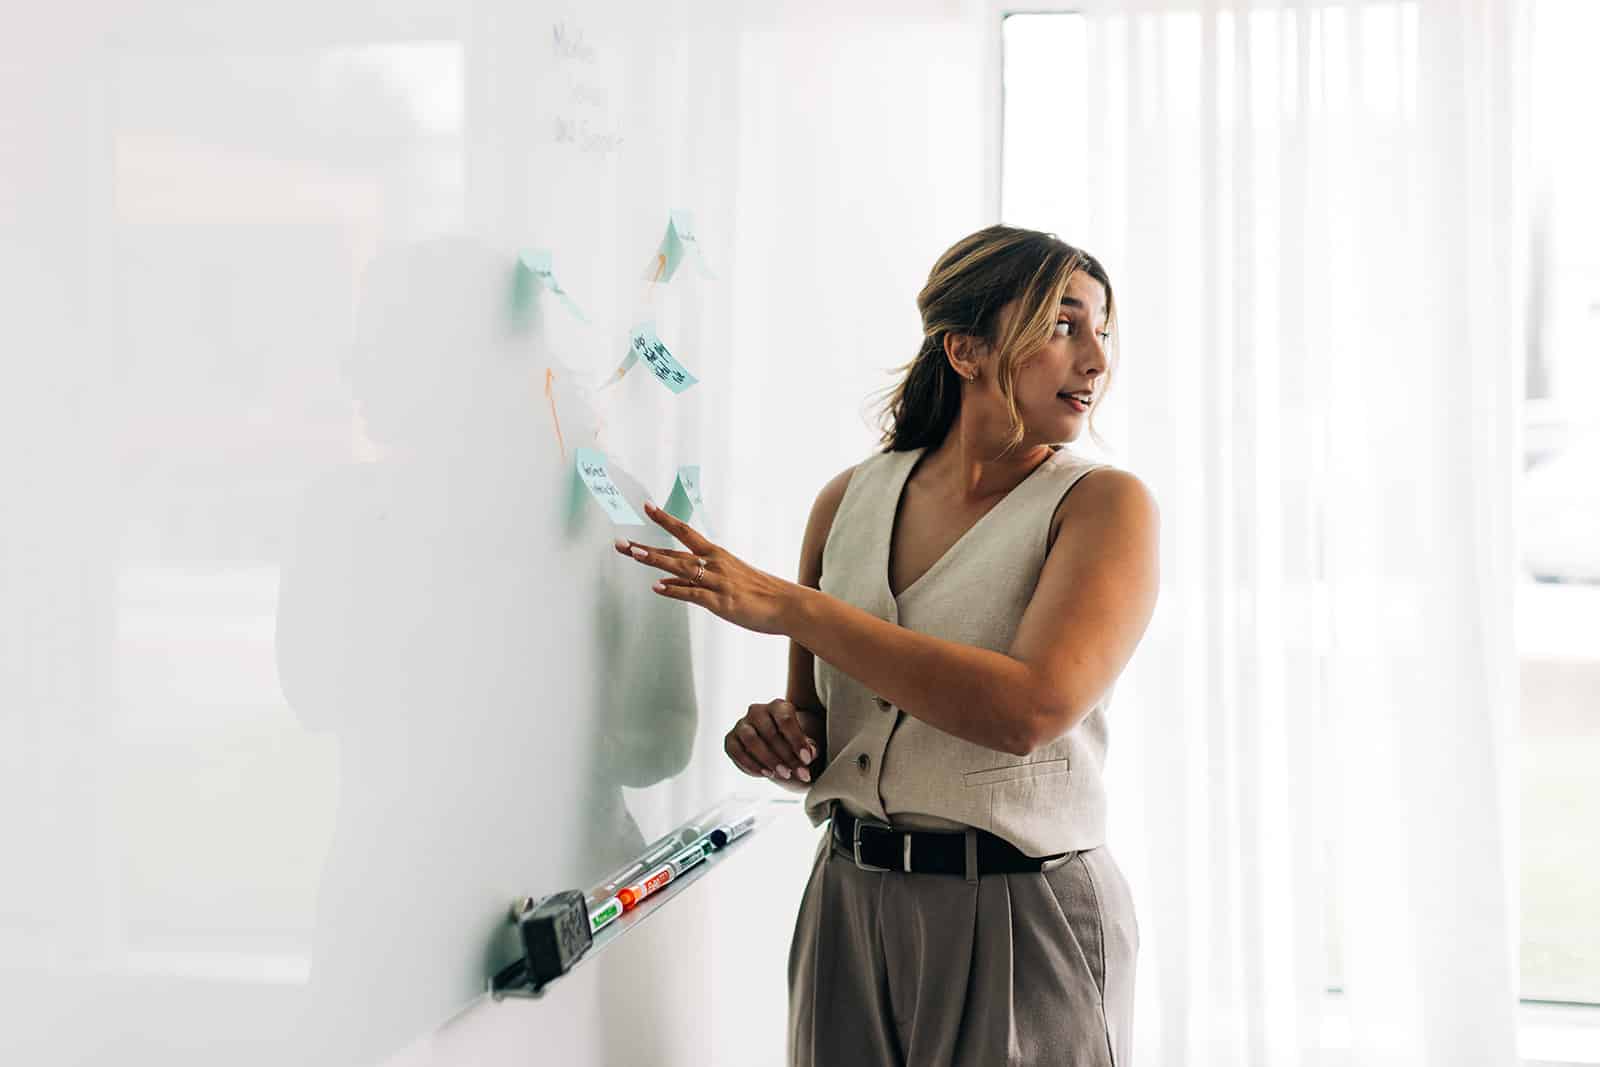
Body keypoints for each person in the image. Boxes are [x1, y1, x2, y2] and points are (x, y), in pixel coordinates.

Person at [614, 224, 1159, 1066]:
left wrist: (798, 609)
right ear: (966, 349)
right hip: (847, 898)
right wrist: (780, 738)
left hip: (1022, 910)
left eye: (1103, 330)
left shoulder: (1102, 506)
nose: (1096, 360)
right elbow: (821, 726)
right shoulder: (849, 500)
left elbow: (1031, 708)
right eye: (1063, 325)